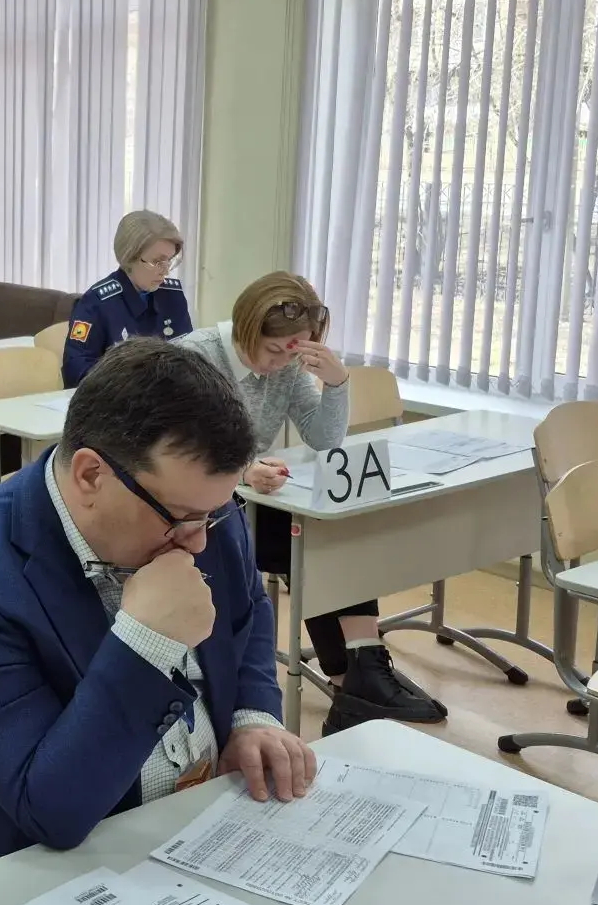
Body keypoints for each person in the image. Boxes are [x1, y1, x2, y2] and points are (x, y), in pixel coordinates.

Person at [0, 339, 313, 881]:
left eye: (214, 514)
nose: (199, 541)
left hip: (197, 829)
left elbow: (249, 612)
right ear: (91, 475)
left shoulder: (200, 507)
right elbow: (49, 808)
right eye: (181, 519)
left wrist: (251, 716)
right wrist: (146, 643)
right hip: (38, 871)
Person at [175, 272, 444, 736]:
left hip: (240, 503)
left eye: (293, 352)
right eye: (273, 350)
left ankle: (358, 673)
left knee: (327, 530)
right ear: (246, 327)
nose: (281, 363)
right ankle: (357, 681)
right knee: (311, 544)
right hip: (191, 510)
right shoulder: (194, 358)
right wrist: (242, 469)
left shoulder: (286, 368)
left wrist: (337, 383)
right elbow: (175, 451)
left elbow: (324, 440)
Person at [60, 210, 194, 386]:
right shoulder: (96, 303)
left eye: (169, 260)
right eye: (157, 262)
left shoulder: (172, 295)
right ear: (129, 257)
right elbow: (75, 371)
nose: (165, 271)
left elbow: (189, 356)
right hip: (118, 398)